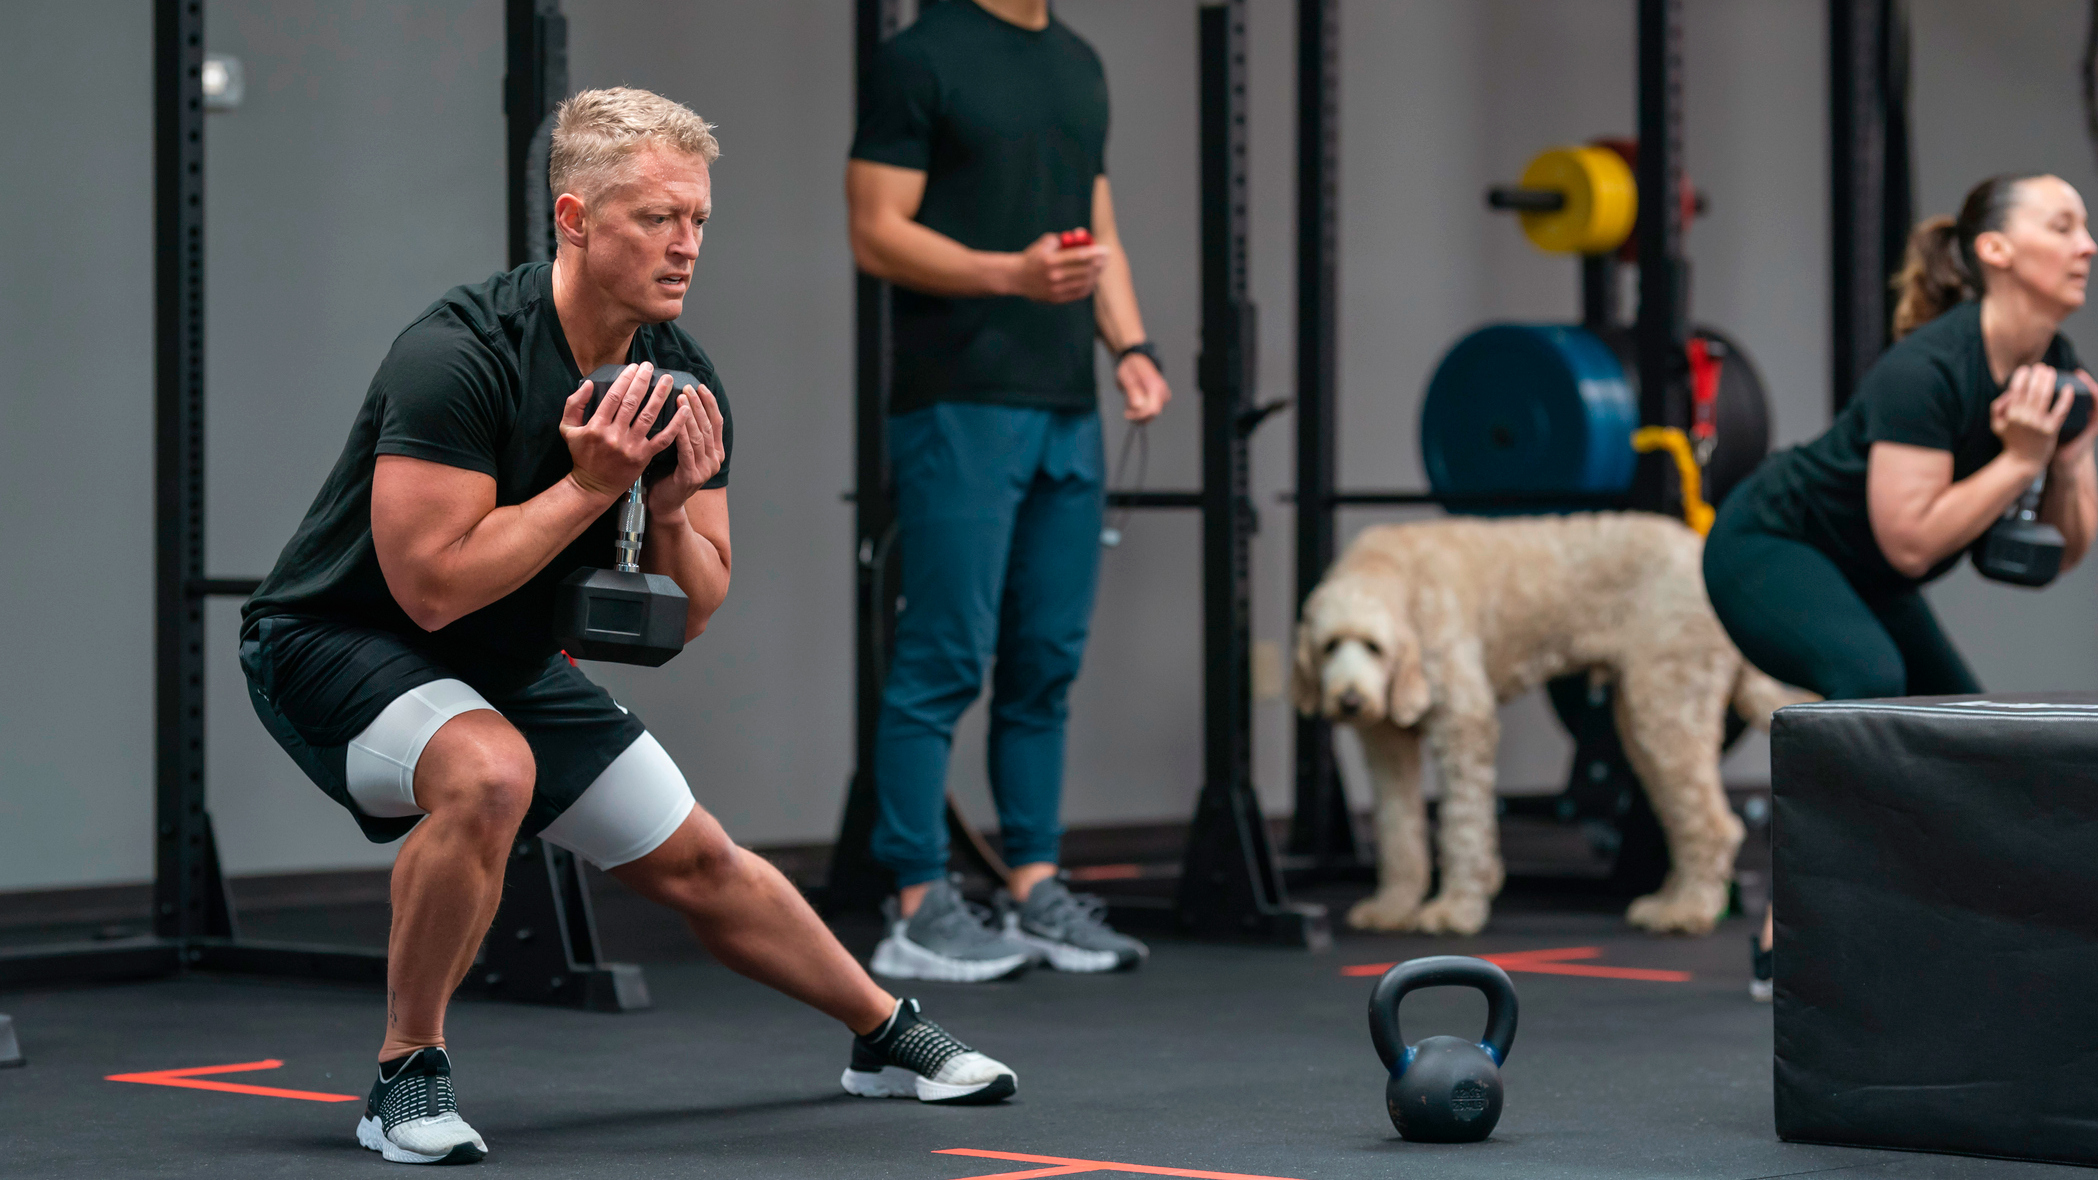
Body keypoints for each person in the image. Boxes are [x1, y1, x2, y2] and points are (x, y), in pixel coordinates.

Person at [240, 88, 1016, 1167]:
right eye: (655, 217)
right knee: (491, 772)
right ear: (573, 219)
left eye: (697, 218)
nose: (685, 243)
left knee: (698, 856)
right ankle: (404, 1073)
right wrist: (590, 485)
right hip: (333, 642)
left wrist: (667, 506)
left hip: (497, 659)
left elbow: (692, 609)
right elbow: (427, 590)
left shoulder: (682, 378)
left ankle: (885, 1034)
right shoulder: (457, 352)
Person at [1702, 173, 2098, 1000]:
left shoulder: (2055, 367)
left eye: (2085, 229)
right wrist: (2020, 461)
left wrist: (2066, 460)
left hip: (1863, 574)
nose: (2086, 246)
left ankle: (1941, 930)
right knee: (1869, 684)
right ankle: (1788, 937)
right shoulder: (1925, 370)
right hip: (1768, 544)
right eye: (2063, 227)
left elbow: (2062, 554)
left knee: (1969, 734)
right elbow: (1912, 543)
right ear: (1996, 251)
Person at [844, 0, 1170, 981]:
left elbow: (1094, 213)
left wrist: (1132, 344)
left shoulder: (1076, 62)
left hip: (1066, 401)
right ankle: (915, 902)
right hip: (959, 402)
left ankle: (1033, 887)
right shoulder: (920, 60)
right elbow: (875, 232)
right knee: (943, 654)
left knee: (1045, 659)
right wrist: (1010, 276)